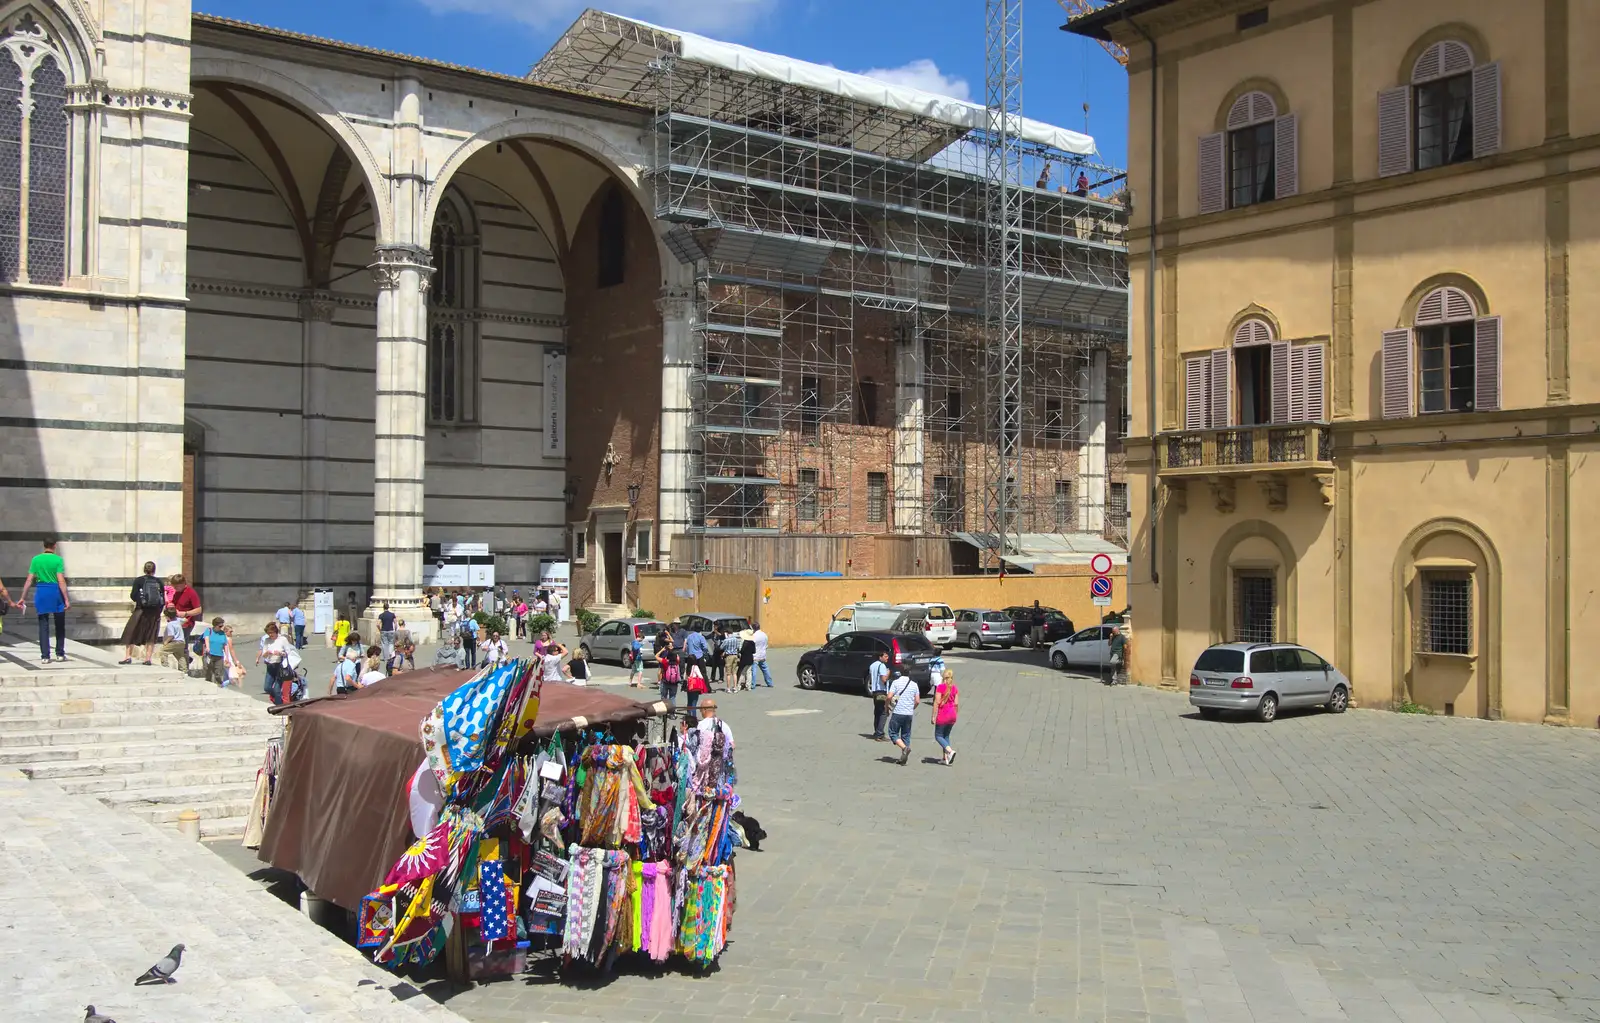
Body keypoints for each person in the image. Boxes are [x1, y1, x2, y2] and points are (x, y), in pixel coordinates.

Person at [17, 538, 70, 664]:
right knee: (59, 624)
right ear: (55, 546)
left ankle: (45, 656)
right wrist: (67, 599)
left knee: (43, 624)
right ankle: (60, 654)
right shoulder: (58, 560)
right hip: (55, 592)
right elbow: (61, 580)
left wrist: (22, 597)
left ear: (44, 545)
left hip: (41, 592)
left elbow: (29, 580)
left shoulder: (36, 559)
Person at [119, 561, 164, 665]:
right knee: (151, 634)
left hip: (141, 610)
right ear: (154, 570)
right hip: (154, 613)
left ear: (144, 569)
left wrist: (141, 601)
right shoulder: (159, 581)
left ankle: (127, 657)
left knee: (132, 632)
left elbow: (133, 595)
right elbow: (162, 599)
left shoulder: (139, 580)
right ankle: (148, 659)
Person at [885, 669, 919, 766]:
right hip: (909, 713)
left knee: (892, 732)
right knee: (906, 735)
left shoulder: (896, 682)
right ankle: (904, 758)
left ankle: (904, 748)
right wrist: (911, 708)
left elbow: (889, 697)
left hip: (898, 712)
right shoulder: (914, 684)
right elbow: (917, 701)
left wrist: (886, 707)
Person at [256, 622, 293, 706]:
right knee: (267, 687)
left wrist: (280, 653)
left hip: (279, 665)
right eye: (268, 633)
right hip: (270, 665)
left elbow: (288, 652)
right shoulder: (267, 640)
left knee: (277, 688)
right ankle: (277, 698)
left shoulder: (282, 639)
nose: (270, 635)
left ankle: (279, 705)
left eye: (271, 633)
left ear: (275, 632)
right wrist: (267, 653)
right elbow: (264, 654)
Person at [931, 668, 960, 765]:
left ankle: (950, 751)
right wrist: (955, 714)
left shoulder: (940, 687)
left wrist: (933, 716)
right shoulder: (954, 688)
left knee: (938, 736)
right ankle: (946, 758)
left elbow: (936, 702)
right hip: (952, 714)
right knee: (946, 735)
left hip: (943, 714)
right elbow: (956, 703)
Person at [868, 649, 891, 741]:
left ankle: (876, 731)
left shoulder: (872, 665)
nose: (887, 658)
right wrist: (888, 673)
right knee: (883, 712)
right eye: (885, 656)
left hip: (874, 691)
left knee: (877, 712)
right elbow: (884, 679)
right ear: (880, 657)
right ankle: (879, 734)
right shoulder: (882, 666)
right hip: (881, 691)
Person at [201, 617, 229, 685]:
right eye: (220, 626)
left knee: (218, 673)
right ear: (215, 625)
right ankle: (208, 685)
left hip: (219, 656)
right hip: (209, 655)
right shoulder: (209, 630)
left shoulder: (222, 633)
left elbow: (225, 645)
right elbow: (206, 639)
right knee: (208, 671)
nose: (221, 627)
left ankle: (220, 685)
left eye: (222, 626)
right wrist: (208, 647)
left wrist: (227, 657)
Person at [657, 635, 680, 707]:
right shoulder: (677, 661)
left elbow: (656, 656)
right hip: (674, 683)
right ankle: (672, 713)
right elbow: (678, 657)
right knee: (672, 697)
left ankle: (663, 711)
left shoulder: (665, 661)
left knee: (664, 696)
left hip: (665, 681)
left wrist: (662, 650)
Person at [751, 621, 772, 687]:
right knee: (765, 669)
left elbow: (752, 645)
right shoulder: (764, 635)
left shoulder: (754, 636)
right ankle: (769, 683)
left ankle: (752, 684)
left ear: (753, 628)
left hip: (755, 656)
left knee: (753, 671)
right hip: (762, 655)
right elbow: (766, 645)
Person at [719, 629, 741, 693]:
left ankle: (728, 688)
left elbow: (721, 647)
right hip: (735, 656)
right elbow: (738, 647)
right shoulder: (736, 639)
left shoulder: (726, 640)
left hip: (728, 656)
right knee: (734, 673)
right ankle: (735, 687)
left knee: (728, 673)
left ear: (727, 633)